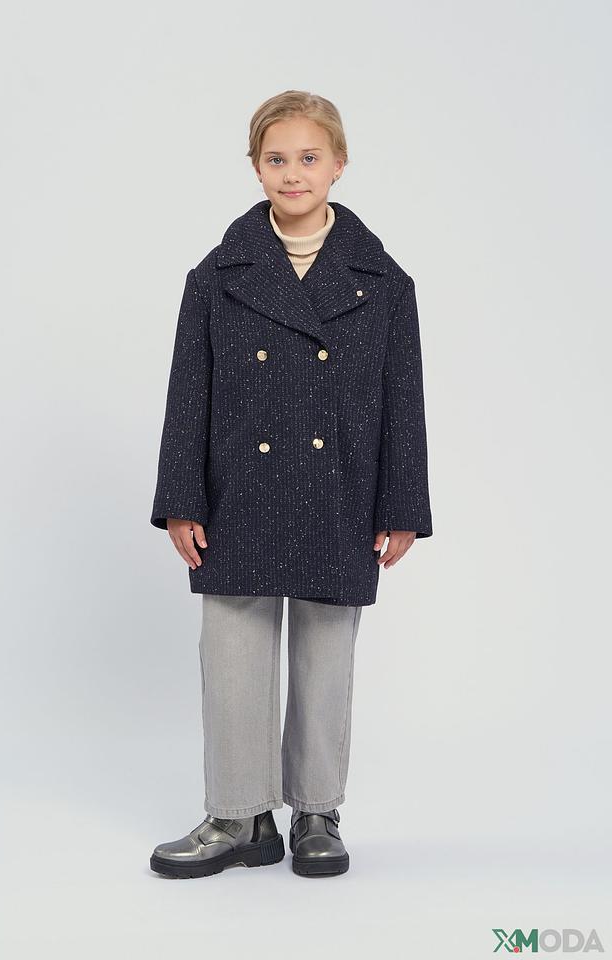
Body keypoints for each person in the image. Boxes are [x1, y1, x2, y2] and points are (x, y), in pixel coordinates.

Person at [148, 90, 433, 879]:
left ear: (339, 165)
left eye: (309, 157)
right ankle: (239, 816)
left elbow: (402, 400)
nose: (293, 172)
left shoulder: (384, 281)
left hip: (342, 484)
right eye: (277, 158)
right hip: (238, 484)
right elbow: (189, 394)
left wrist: (403, 505)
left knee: (324, 656)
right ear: (255, 167)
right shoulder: (217, 275)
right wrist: (181, 499)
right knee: (233, 651)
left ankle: (316, 812)